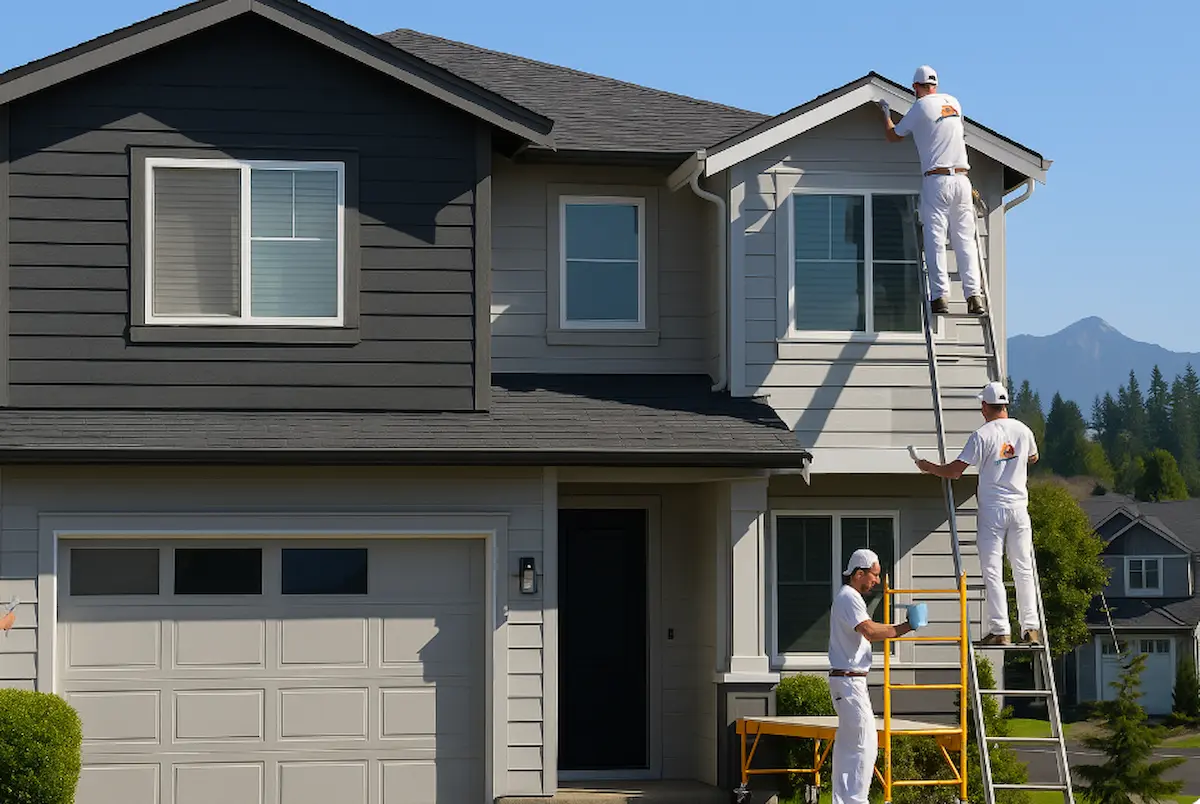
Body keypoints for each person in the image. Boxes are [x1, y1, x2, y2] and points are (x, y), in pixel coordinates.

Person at [911, 381, 1041, 645]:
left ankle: (1000, 630)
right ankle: (1031, 628)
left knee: (993, 570)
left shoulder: (982, 435)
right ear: (1005, 405)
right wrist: (1013, 459)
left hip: (993, 510)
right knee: (1023, 568)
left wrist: (928, 467)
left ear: (984, 406)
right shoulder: (1023, 430)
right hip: (1019, 509)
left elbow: (954, 472)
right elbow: (1033, 458)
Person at [877, 65, 985, 317]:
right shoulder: (954, 103)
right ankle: (974, 297)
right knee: (965, 241)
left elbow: (894, 136)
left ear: (916, 87)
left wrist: (885, 113)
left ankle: (940, 298)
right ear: (935, 84)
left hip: (937, 181)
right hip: (962, 179)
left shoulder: (920, 107)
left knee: (935, 239)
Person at [829, 548, 927, 804]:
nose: (877, 581)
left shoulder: (847, 597)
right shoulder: (849, 597)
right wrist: (906, 627)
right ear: (858, 573)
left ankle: (844, 799)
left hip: (847, 680)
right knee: (865, 744)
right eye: (874, 575)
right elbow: (870, 631)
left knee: (849, 745)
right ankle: (855, 801)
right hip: (849, 681)